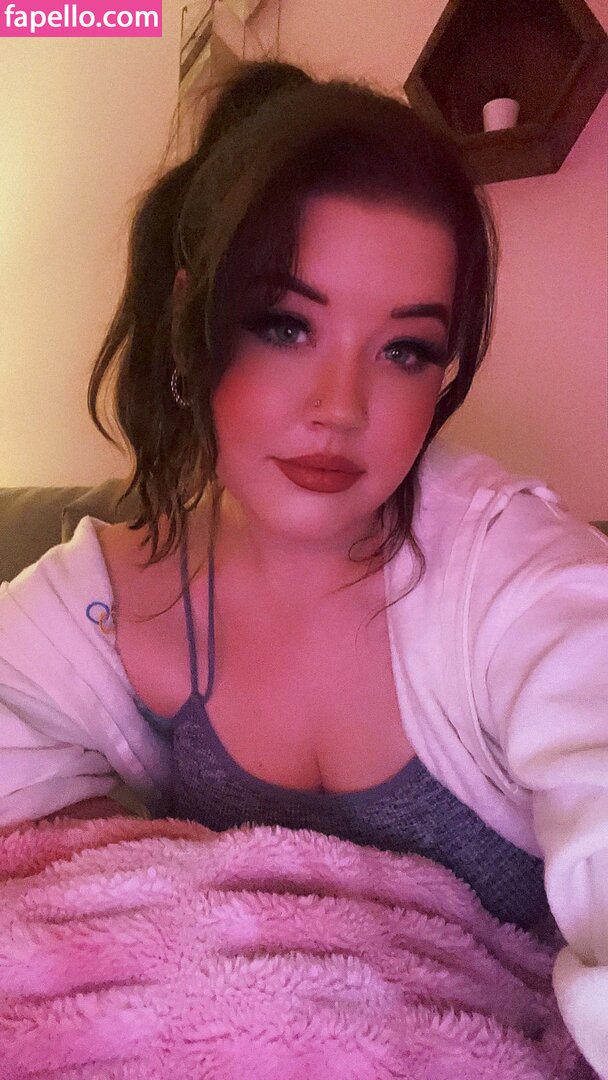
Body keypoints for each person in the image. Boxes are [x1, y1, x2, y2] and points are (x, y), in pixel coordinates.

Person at [0, 60, 607, 1073]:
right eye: (285, 326)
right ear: (194, 322)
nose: (340, 406)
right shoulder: (112, 596)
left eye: (405, 350)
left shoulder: (517, 581)